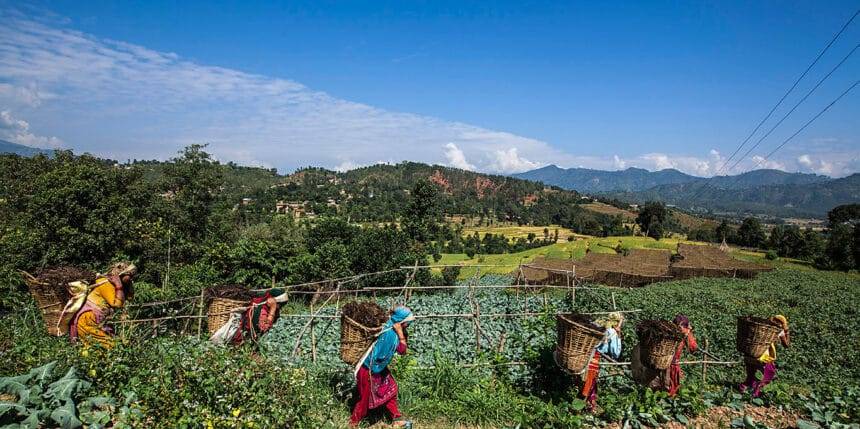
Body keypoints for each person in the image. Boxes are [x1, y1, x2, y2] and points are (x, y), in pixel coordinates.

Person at [350, 306, 415, 428]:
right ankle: (353, 424)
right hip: (368, 370)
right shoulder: (390, 334)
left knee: (391, 388)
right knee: (364, 399)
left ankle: (396, 418)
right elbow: (402, 350)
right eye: (407, 323)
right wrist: (400, 334)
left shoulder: (390, 327)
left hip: (377, 369)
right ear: (401, 321)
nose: (408, 325)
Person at [69, 262, 136, 349]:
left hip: (99, 320)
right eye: (130, 275)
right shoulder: (106, 283)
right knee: (109, 347)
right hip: (88, 320)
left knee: (99, 349)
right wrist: (119, 285)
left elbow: (130, 297)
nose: (132, 278)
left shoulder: (114, 284)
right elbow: (117, 304)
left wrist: (127, 284)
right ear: (123, 273)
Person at [631, 314, 698, 396]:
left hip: (656, 363)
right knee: (669, 390)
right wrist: (688, 333)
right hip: (669, 366)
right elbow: (693, 348)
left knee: (654, 388)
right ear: (682, 327)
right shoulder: (678, 336)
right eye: (686, 326)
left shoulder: (666, 334)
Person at [739, 315, 790, 397]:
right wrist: (787, 331)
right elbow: (786, 345)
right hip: (764, 356)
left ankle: (743, 389)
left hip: (750, 353)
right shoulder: (778, 330)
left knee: (751, 374)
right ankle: (755, 393)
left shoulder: (762, 328)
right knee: (767, 374)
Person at [581, 312, 623, 411]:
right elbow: (615, 353)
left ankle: (589, 405)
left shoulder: (598, 324)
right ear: (617, 323)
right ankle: (580, 408)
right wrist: (619, 335)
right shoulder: (612, 332)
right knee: (588, 383)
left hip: (583, 353)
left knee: (587, 382)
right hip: (593, 358)